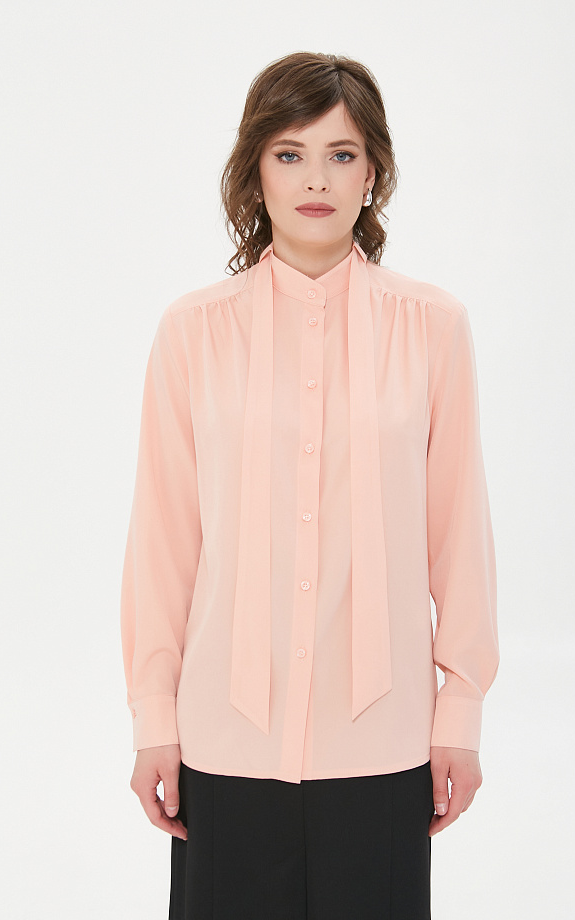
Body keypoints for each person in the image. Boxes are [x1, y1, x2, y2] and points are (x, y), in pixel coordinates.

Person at [120, 51, 499, 920]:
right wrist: (153, 719)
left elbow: (459, 539)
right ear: (255, 171)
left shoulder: (434, 328)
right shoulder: (192, 333)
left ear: (373, 173)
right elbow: (163, 545)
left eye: (342, 153)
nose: (316, 179)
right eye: (289, 154)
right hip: (224, 738)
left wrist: (460, 713)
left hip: (384, 740)